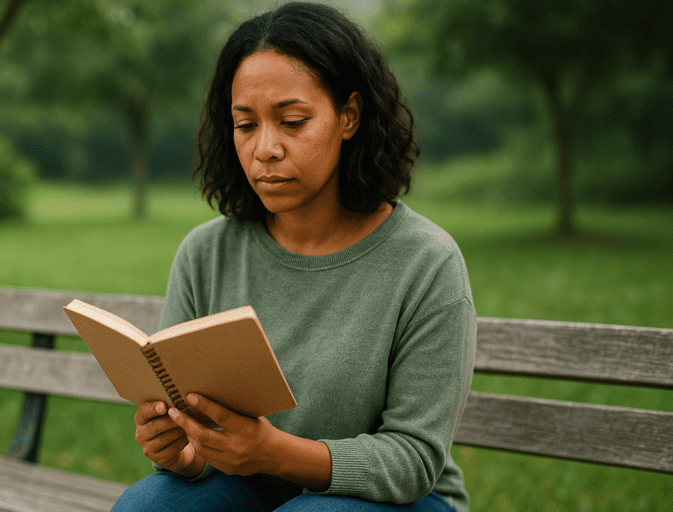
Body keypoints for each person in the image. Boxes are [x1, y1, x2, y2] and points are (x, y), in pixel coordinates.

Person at [112, 2, 475, 511]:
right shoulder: (206, 253)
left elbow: (413, 460)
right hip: (251, 489)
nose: (265, 149)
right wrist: (181, 452)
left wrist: (274, 452)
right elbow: (195, 441)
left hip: (399, 501)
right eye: (245, 125)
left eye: (292, 121)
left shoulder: (426, 262)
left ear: (348, 115)